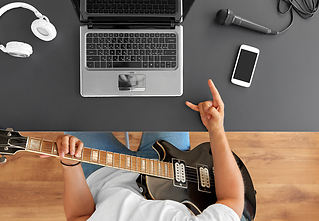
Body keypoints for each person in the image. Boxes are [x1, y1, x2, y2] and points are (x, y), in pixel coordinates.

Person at [41, 79, 244, 221]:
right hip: (171, 166)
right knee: (169, 92)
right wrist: (216, 129)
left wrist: (71, 164)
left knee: (72, 100)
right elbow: (232, 199)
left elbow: (78, 216)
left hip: (103, 173)